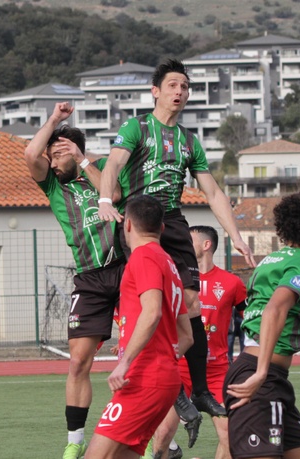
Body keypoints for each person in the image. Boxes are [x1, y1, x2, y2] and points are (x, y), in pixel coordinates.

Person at [97, 58, 256, 419]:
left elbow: (213, 192)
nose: (179, 92)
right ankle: (160, 383)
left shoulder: (188, 140)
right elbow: (114, 164)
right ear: (155, 91)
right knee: (153, 307)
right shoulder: (136, 128)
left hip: (173, 220)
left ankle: (198, 390)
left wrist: (237, 238)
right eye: (172, 86)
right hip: (140, 219)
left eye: (184, 87)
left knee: (191, 306)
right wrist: (105, 201)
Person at [25, 102, 126, 458]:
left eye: (58, 154)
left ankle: (152, 440)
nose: (51, 161)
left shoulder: (99, 170)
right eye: (51, 156)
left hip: (127, 270)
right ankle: (75, 440)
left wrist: (83, 158)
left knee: (140, 356)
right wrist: (54, 120)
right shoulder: (52, 185)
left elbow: (111, 196)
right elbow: (30, 153)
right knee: (78, 361)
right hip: (89, 278)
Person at [224, 191, 300, 459]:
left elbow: (280, 322)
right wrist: (260, 373)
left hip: (268, 377)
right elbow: (274, 310)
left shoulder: (270, 261)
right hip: (261, 378)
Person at [84, 194, 193, 459]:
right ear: (163, 228)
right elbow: (186, 336)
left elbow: (152, 311)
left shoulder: (143, 257)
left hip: (143, 379)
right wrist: (162, 357)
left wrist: (126, 361)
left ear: (128, 225)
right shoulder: (169, 263)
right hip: (165, 380)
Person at [150, 225, 246, 459]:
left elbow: (252, 320)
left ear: (206, 245)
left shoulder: (232, 283)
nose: (182, 242)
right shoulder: (175, 280)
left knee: (228, 435)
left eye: (188, 239)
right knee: (163, 433)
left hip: (216, 371)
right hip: (180, 369)